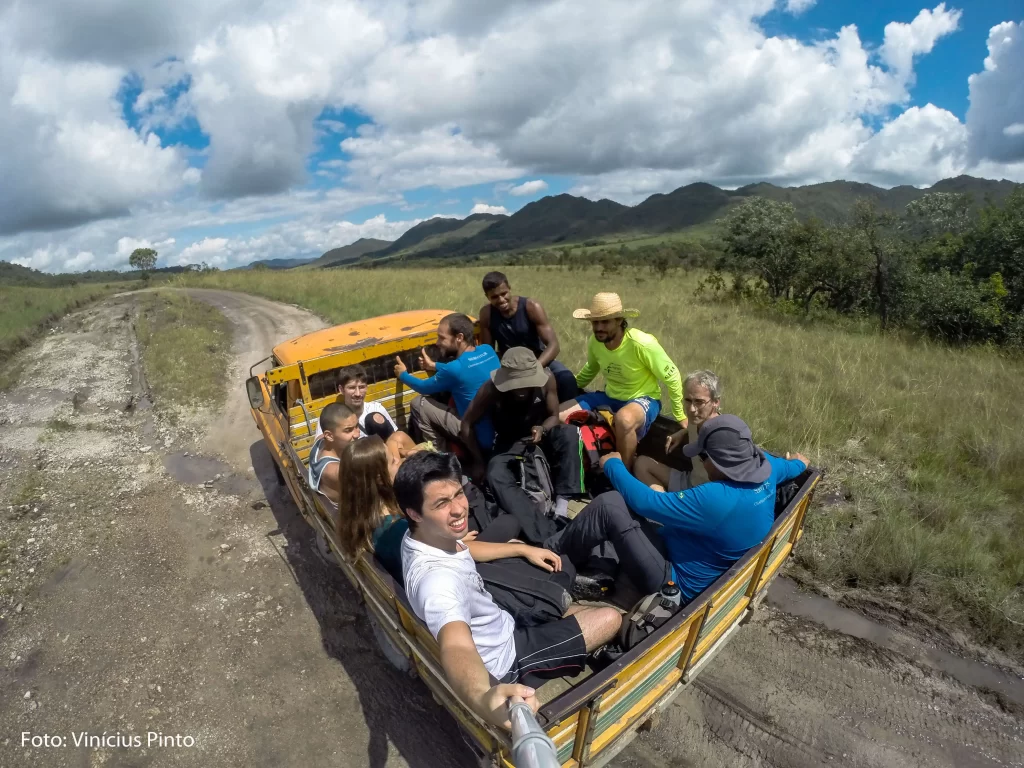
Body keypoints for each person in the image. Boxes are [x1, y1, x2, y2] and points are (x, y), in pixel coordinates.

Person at [397, 452, 621, 726]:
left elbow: (464, 548)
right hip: (506, 660)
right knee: (610, 618)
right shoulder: (437, 581)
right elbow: (456, 644)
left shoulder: (422, 536)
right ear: (414, 512)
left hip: (499, 619)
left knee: (561, 604)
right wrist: (483, 698)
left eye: (458, 494)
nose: (458, 509)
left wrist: (522, 548)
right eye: (442, 503)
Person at [545, 415, 809, 603]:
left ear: (721, 462)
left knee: (609, 504)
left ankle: (549, 552)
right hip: (696, 558)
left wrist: (614, 465)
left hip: (673, 582)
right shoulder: (768, 469)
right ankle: (594, 568)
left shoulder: (717, 497)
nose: (702, 464)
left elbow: (648, 503)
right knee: (624, 513)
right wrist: (801, 462)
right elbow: (795, 466)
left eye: (704, 457)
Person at [336, 437, 567, 587]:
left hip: (436, 564)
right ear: (379, 478)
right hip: (452, 574)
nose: (402, 459)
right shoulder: (399, 529)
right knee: (509, 523)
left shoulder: (367, 515)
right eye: (394, 461)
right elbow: (462, 553)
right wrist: (520, 549)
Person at [460, 347, 585, 543]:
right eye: (516, 385)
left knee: (569, 433)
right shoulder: (491, 389)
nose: (520, 390)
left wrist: (542, 429)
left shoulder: (547, 379)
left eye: (525, 384)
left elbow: (554, 416)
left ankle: (563, 507)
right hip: (508, 442)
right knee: (495, 474)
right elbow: (466, 424)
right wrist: (478, 461)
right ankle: (543, 532)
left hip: (539, 436)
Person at [559, 292, 685, 470]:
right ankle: (577, 468)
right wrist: (572, 385)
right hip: (610, 395)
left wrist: (680, 415)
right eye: (595, 322)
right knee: (560, 415)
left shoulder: (641, 343)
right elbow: (591, 369)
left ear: (619, 320)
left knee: (624, 420)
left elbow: (672, 376)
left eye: (605, 322)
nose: (599, 328)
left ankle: (623, 477)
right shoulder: (596, 343)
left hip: (643, 398)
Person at [394, 313, 499, 452]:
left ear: (459, 337)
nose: (437, 343)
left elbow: (423, 387)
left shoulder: (454, 368)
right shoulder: (488, 350)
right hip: (496, 428)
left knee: (419, 403)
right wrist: (434, 365)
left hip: (473, 432)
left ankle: (439, 453)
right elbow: (470, 369)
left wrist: (403, 375)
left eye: (442, 338)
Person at [478, 272, 578, 403]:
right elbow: (488, 351)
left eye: (504, 294)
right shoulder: (487, 313)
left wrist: (535, 368)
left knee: (566, 378)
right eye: (495, 297)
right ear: (487, 297)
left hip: (537, 359)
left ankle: (570, 418)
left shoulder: (531, 307)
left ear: (509, 288)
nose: (501, 300)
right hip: (509, 364)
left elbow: (553, 345)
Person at [634, 370, 722, 492]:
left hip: (706, 495)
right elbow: (694, 426)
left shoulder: (723, 436)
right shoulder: (697, 419)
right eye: (688, 400)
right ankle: (663, 501)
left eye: (699, 402)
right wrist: (682, 432)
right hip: (690, 481)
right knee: (641, 463)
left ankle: (664, 505)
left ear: (715, 402)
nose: (691, 409)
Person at [308, 402, 362, 519]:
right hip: (349, 517)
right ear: (329, 435)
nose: (357, 434)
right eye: (348, 430)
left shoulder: (321, 440)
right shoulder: (336, 471)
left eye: (357, 426)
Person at [331, 365, 399, 439]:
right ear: (341, 390)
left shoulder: (377, 409)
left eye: (361, 387)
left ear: (366, 387)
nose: (358, 394)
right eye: (352, 388)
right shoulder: (332, 417)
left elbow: (394, 438)